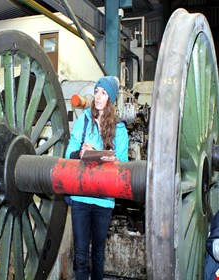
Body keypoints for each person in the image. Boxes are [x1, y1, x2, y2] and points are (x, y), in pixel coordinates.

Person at [65, 76, 129, 280]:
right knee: (81, 255)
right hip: (81, 198)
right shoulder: (83, 121)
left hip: (104, 200)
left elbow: (125, 167)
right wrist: (81, 153)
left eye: (103, 93)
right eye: (96, 91)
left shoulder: (119, 130)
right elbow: (69, 155)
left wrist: (115, 160)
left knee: (98, 254)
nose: (98, 97)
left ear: (111, 98)